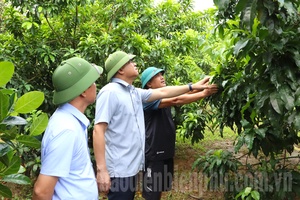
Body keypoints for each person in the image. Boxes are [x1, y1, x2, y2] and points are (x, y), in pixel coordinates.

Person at [92, 50, 218, 200]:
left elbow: (164, 92)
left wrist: (193, 86)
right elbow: (98, 130)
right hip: (119, 169)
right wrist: (101, 170)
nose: (135, 63)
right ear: (120, 69)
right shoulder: (110, 92)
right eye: (130, 62)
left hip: (131, 168)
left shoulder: (134, 93)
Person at [140, 66, 218, 200]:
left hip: (165, 150)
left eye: (161, 74)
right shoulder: (148, 99)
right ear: (149, 84)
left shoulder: (163, 94)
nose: (162, 77)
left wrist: (204, 81)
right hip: (153, 152)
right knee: (152, 192)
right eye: (157, 76)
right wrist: (205, 93)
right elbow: (176, 100)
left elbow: (185, 93)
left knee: (160, 188)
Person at [32, 57, 103, 200]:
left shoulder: (70, 121)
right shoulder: (66, 130)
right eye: (92, 82)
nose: (96, 85)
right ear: (83, 91)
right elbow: (41, 192)